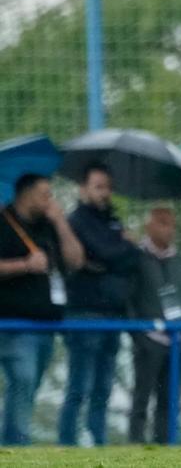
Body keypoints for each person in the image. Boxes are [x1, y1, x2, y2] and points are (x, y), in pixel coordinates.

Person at [60, 163, 141, 447]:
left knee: (103, 388)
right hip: (84, 313)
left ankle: (97, 440)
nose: (104, 192)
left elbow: (128, 259)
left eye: (107, 186)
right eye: (98, 186)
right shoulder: (77, 220)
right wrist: (124, 248)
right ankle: (67, 443)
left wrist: (119, 252)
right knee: (78, 387)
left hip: (112, 314)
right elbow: (108, 252)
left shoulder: (112, 221)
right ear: (83, 188)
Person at [0, 174, 84, 445]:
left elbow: (76, 260)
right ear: (25, 194)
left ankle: (13, 440)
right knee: (22, 381)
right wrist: (24, 265)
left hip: (45, 325)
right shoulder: (4, 222)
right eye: (45, 194)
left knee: (28, 387)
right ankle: (17, 445)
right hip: (13, 325)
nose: (50, 200)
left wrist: (61, 222)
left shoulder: (48, 226)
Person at [127, 206, 181, 445]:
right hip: (149, 340)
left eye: (172, 225)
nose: (169, 230)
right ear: (149, 226)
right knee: (141, 398)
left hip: (177, 341)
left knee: (169, 399)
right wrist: (140, 337)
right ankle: (135, 445)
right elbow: (130, 299)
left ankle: (166, 444)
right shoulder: (137, 258)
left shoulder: (178, 260)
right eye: (163, 223)